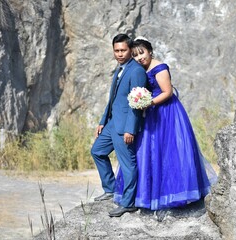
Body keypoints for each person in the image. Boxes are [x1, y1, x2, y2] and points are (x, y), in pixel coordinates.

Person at [114, 37, 217, 211]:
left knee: (168, 150)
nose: (139, 58)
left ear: (150, 51)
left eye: (142, 53)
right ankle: (146, 194)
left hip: (166, 112)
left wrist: (148, 103)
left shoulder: (160, 68)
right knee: (148, 152)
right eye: (135, 55)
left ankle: (174, 193)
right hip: (150, 112)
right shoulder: (141, 69)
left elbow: (167, 92)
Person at [91, 34, 147, 217]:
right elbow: (113, 99)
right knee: (97, 151)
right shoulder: (120, 69)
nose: (120, 54)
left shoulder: (136, 71)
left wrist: (131, 129)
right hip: (112, 122)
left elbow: (136, 103)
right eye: (117, 50)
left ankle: (128, 203)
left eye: (123, 50)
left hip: (125, 126)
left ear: (130, 50)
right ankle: (110, 189)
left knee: (127, 164)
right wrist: (102, 121)